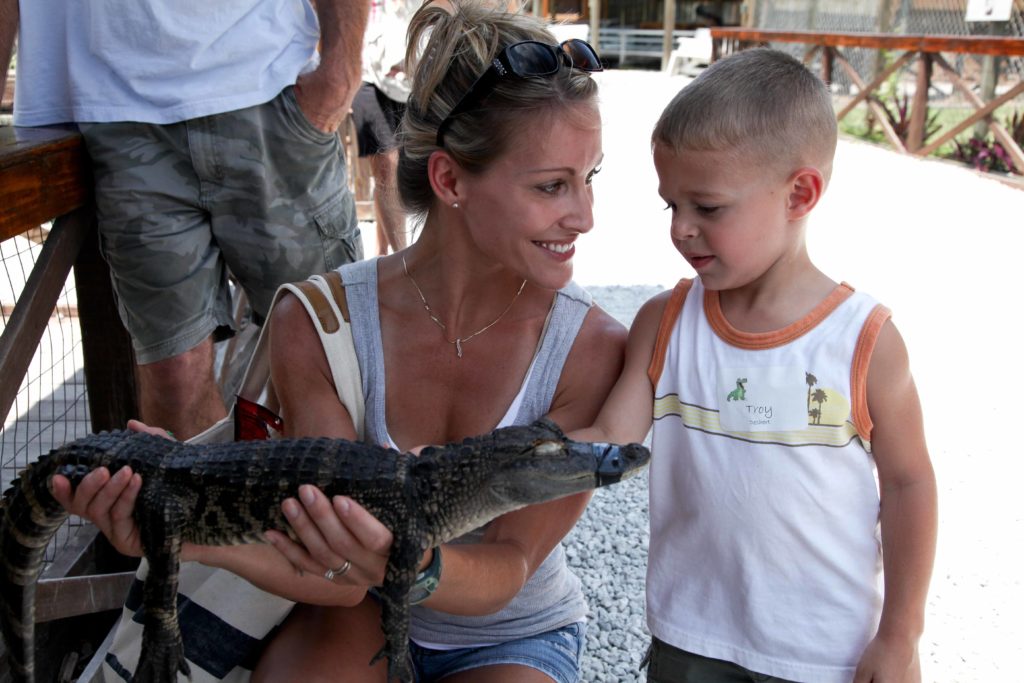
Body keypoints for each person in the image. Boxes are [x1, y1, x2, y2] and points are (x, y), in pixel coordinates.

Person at [53, 2, 624, 681]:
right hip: (354, 606)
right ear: (448, 180)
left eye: (590, 178)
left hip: (508, 628)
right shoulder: (321, 321)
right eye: (553, 186)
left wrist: (409, 558)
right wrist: (179, 535)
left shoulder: (589, 345)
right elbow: (332, 572)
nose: (585, 216)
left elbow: (510, 566)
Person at [572, 49, 938, 682]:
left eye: (707, 208)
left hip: (825, 655)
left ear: (800, 193)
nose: (681, 229)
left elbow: (908, 485)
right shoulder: (666, 324)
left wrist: (900, 636)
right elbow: (607, 444)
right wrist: (491, 460)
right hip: (691, 639)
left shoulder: (864, 342)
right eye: (671, 206)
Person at [0, 0, 368, 441]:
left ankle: (345, 507)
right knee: (172, 375)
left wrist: (341, 66)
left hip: (265, 83)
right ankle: (218, 510)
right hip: (119, 111)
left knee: (333, 352)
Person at [352, 0, 419, 255]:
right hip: (366, 74)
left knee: (394, 172)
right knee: (385, 166)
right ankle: (403, 257)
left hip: (409, 77)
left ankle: (381, 252)